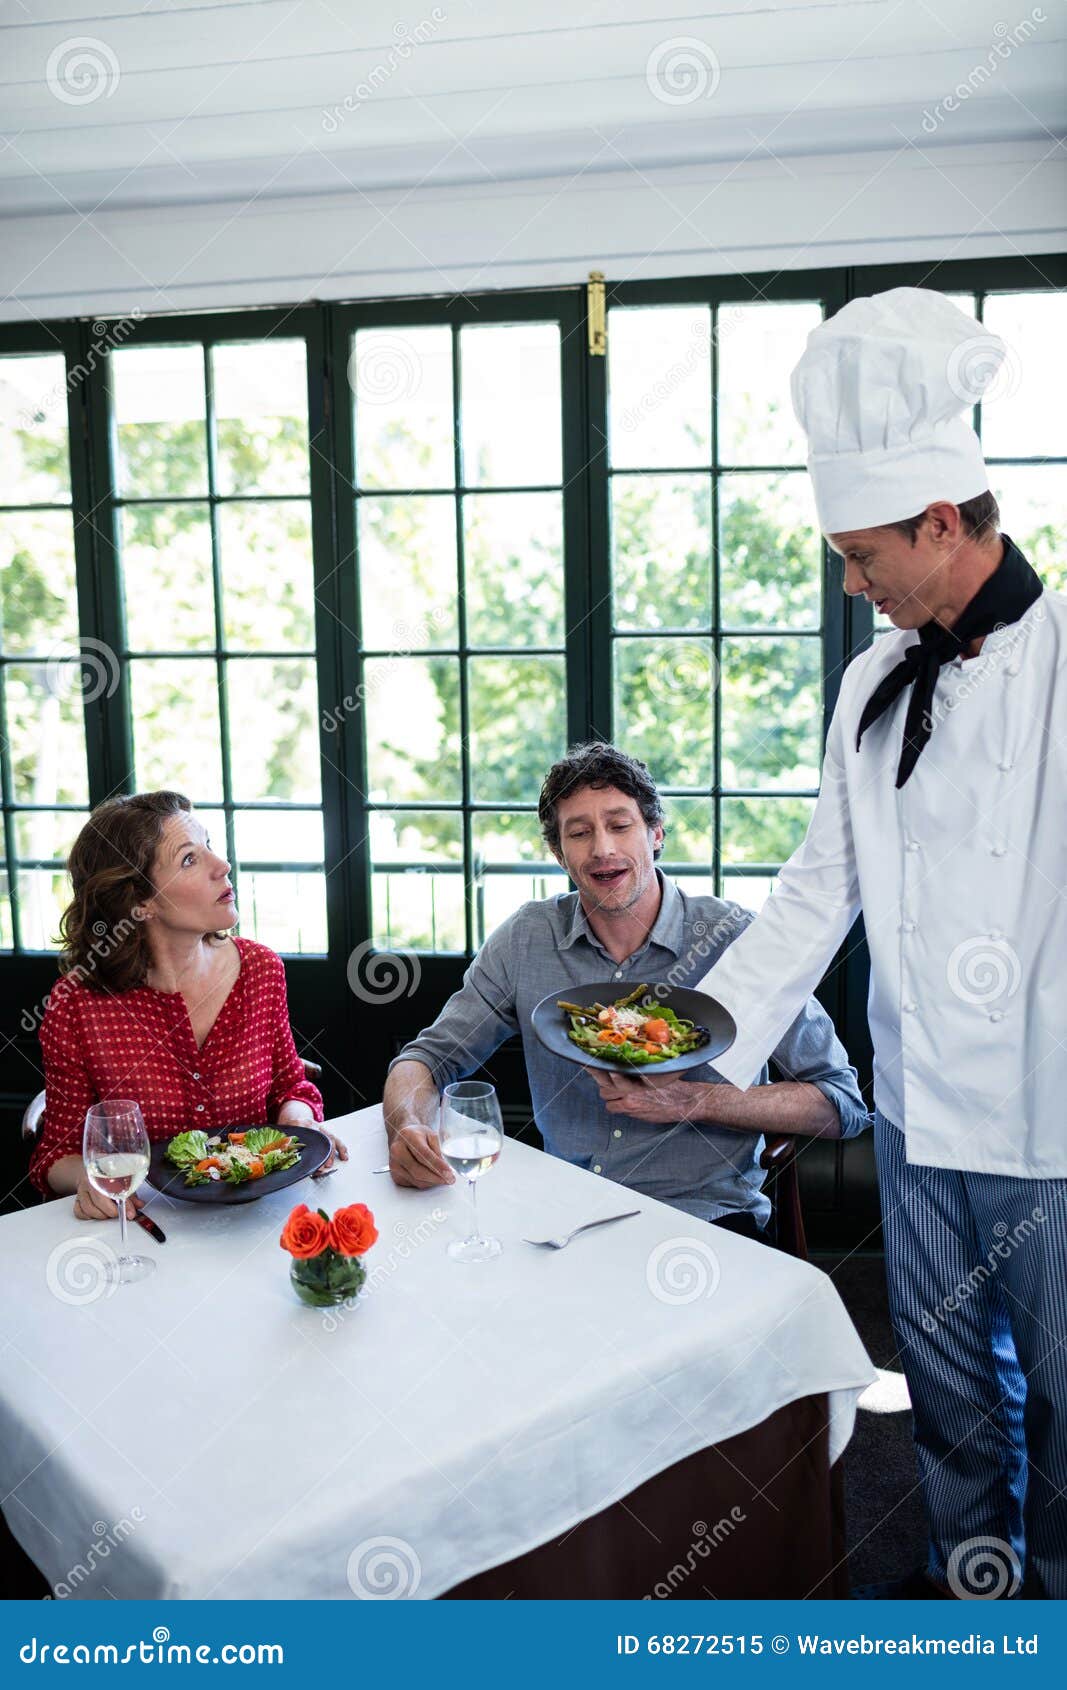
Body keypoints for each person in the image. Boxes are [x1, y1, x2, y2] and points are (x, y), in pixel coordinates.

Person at [690, 287, 1067, 1599]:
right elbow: (812, 891)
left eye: (863, 556)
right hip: (914, 1115)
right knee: (951, 1406)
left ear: (941, 521)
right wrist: (701, 1032)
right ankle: (968, 1595)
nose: (851, 585)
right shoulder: (869, 681)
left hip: (1050, 1127)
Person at [383, 743, 868, 1239]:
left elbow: (841, 1105)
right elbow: (428, 1058)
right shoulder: (525, 940)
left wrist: (689, 1100)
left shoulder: (737, 939)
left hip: (705, 1221)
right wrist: (407, 1127)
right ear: (559, 854)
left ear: (655, 834)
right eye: (579, 832)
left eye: (619, 825)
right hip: (564, 1218)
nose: (602, 850)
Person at [29, 791, 346, 1219]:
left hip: (259, 1221)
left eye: (210, 846)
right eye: (189, 860)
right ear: (141, 903)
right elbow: (57, 1156)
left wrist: (299, 1120)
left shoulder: (260, 969)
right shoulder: (76, 1006)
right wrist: (90, 1179)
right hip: (149, 1230)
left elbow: (291, 1087)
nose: (223, 866)